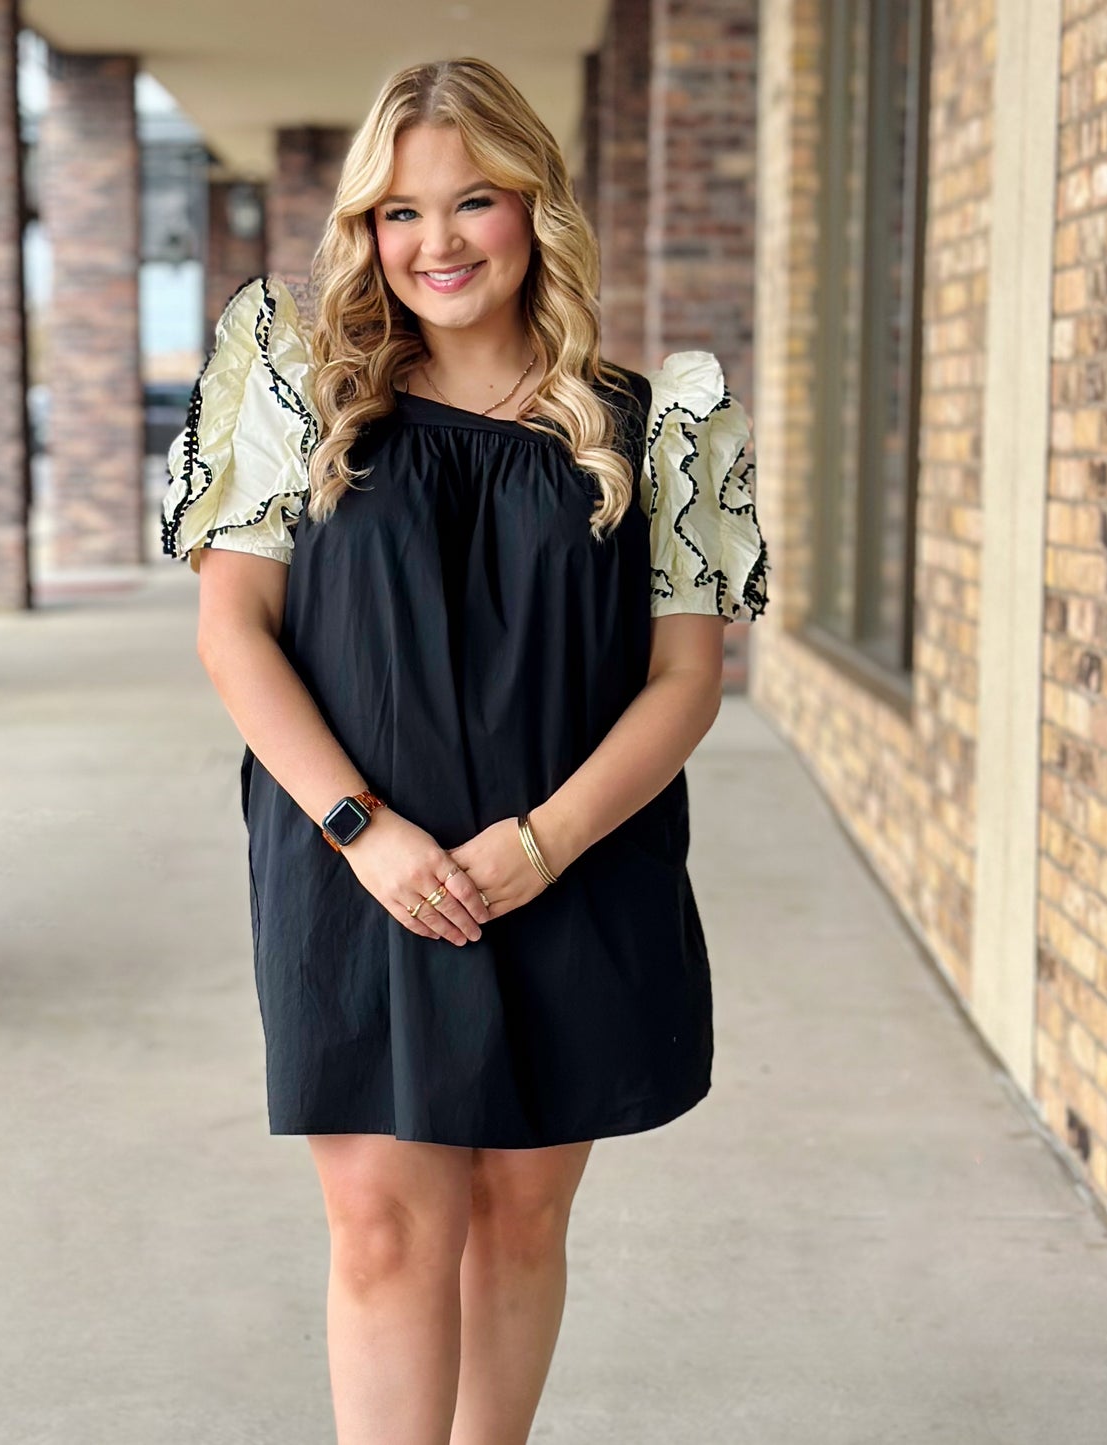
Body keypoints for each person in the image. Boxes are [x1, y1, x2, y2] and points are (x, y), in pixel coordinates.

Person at [161, 55, 769, 1445]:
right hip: (353, 863)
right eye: (398, 212)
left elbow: (685, 682)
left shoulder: (653, 425)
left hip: (575, 861)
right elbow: (233, 636)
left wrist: (537, 842)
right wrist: (366, 833)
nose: (435, 242)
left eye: (473, 201)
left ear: (533, 209)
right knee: (379, 1227)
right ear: (366, 231)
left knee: (513, 1217)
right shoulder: (293, 399)